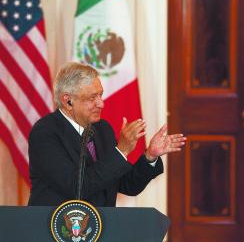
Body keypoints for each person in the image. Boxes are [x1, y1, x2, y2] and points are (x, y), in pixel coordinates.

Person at [28, 62, 186, 207]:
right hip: (57, 230)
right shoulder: (45, 133)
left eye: (100, 95)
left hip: (100, 229)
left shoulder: (102, 129)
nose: (101, 103)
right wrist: (122, 150)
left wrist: (149, 156)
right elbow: (77, 188)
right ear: (68, 101)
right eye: (92, 98)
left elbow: (126, 184)